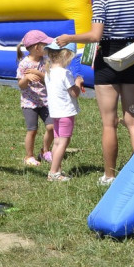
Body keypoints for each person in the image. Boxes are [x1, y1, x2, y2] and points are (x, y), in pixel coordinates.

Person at [56, 0, 134, 185]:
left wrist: (70, 37)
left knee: (109, 123)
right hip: (132, 60)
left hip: (108, 60)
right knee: (133, 121)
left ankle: (109, 176)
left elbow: (96, 35)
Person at [44, 42, 84, 182]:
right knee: (63, 143)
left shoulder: (48, 72)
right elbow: (74, 93)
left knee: (57, 142)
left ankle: (57, 170)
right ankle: (54, 172)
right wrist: (78, 82)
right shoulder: (65, 73)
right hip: (66, 112)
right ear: (66, 55)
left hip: (55, 112)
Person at [16, 29, 55, 166]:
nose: (47, 47)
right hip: (29, 103)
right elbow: (21, 85)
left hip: (45, 101)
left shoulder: (46, 61)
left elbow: (50, 80)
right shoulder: (24, 64)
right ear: (37, 47)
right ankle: (29, 156)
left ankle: (45, 151)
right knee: (32, 130)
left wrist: (39, 74)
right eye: (45, 44)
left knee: (51, 127)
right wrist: (26, 77)